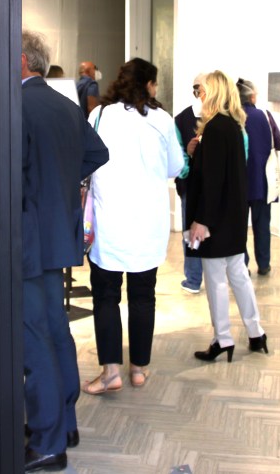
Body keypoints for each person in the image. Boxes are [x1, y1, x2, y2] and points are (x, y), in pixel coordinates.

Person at [20, 30, 109, 471]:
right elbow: (97, 153)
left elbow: (9, 177)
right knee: (55, 329)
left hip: (26, 238)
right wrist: (63, 182)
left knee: (33, 337)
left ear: (20, 60)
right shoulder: (65, 104)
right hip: (57, 233)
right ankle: (65, 422)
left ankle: (48, 440)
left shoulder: (15, 106)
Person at [82, 58, 185, 395]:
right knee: (143, 296)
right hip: (147, 224)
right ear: (148, 84)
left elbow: (86, 159)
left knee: (106, 297)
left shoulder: (99, 115)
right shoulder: (163, 119)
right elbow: (175, 167)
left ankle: (111, 371)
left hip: (109, 222)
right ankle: (138, 369)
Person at [188, 71, 269, 363]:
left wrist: (201, 220)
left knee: (216, 280)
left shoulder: (214, 128)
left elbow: (212, 180)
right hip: (233, 214)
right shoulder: (234, 125)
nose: (199, 96)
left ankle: (222, 338)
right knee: (238, 275)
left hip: (215, 216)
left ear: (213, 93)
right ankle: (256, 332)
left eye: (202, 91)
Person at [236, 78, 280, 275]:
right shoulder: (265, 115)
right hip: (262, 181)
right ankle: (264, 264)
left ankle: (243, 266)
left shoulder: (232, 117)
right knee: (262, 225)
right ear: (252, 96)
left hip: (239, 182)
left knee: (239, 228)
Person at [175, 74, 205, 293]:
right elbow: (179, 156)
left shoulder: (222, 117)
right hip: (191, 185)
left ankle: (231, 271)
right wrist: (188, 160)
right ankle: (193, 278)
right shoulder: (182, 119)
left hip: (214, 186)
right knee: (191, 233)